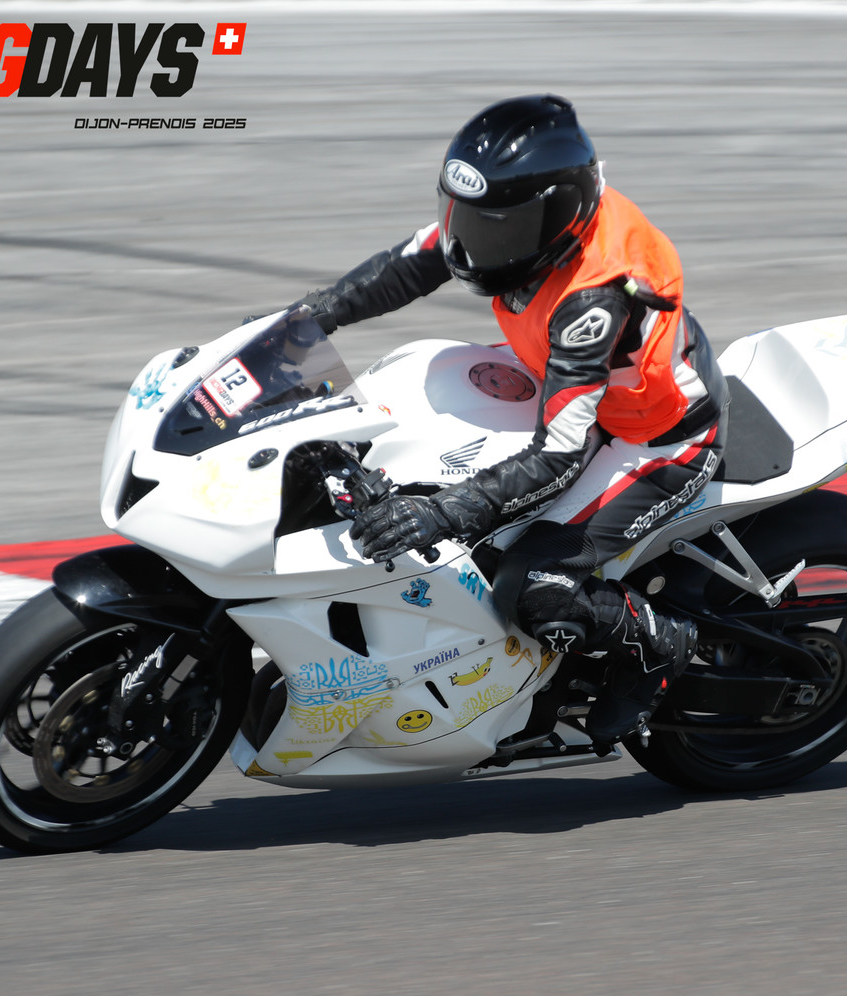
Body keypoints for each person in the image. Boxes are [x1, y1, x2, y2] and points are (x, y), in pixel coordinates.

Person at [290, 94, 727, 746]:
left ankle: (659, 645)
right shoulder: (522, 225)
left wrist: (443, 514)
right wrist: (304, 320)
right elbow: (408, 265)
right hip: (567, 380)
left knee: (531, 583)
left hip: (654, 436)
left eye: (497, 228)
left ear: (560, 217)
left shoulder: (590, 300)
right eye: (466, 217)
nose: (474, 244)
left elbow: (558, 456)